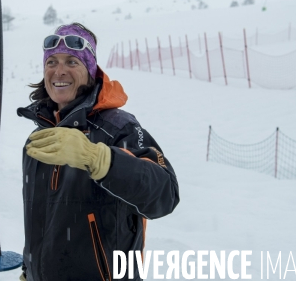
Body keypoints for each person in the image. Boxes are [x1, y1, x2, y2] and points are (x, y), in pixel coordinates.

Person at [17, 23, 180, 281]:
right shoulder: (39, 138)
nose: (59, 71)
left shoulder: (118, 127)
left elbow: (165, 194)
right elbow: (39, 222)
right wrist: (30, 270)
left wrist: (100, 159)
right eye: (52, 62)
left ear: (90, 70)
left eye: (72, 62)